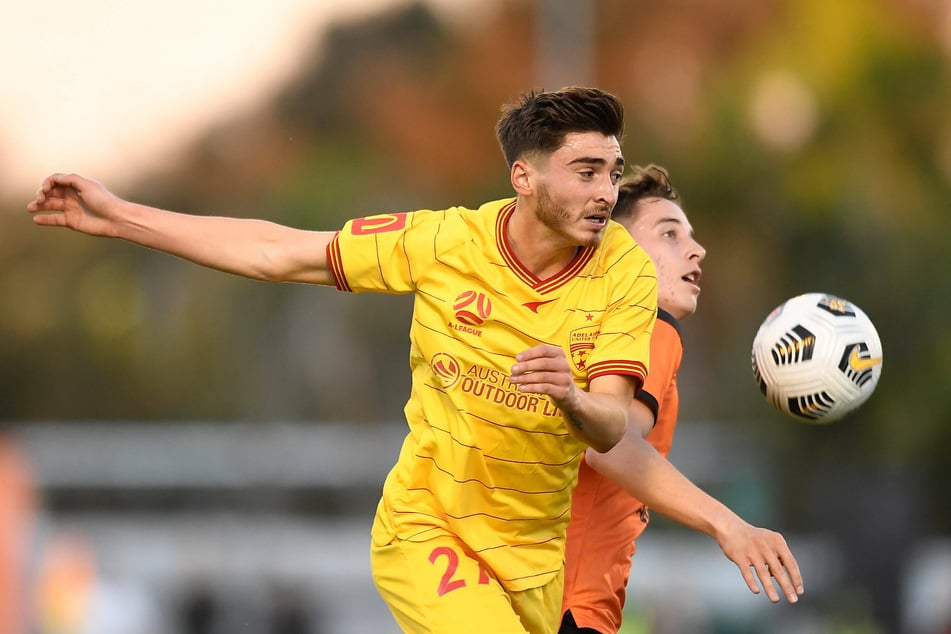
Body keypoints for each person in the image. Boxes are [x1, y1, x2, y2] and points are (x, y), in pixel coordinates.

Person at [28, 87, 660, 633]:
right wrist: (121, 217)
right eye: (586, 171)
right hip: (428, 530)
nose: (607, 191)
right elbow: (279, 252)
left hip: (534, 559)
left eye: (613, 170)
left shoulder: (625, 270)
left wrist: (571, 397)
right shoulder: (443, 243)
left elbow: (611, 423)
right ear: (525, 177)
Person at [559, 166, 803, 634]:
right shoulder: (650, 325)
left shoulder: (586, 331)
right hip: (568, 607)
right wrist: (729, 525)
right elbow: (611, 446)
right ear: (618, 255)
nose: (697, 249)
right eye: (669, 233)